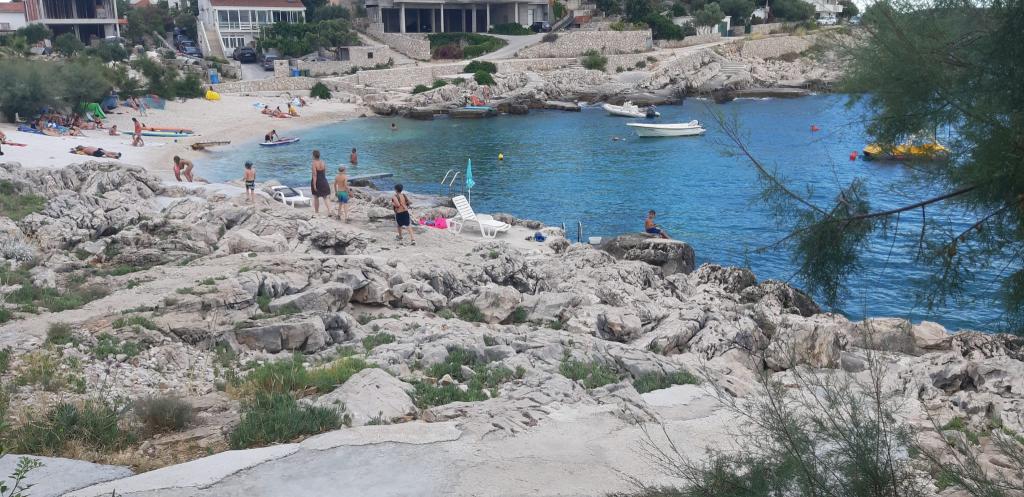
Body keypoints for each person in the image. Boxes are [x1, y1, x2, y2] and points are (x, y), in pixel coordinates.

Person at [309, 149, 330, 216]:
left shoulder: (314, 163)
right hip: (323, 180)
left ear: (313, 156)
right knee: (325, 197)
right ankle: (329, 210)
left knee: (316, 197)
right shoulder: (323, 162)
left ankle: (317, 212)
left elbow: (315, 175)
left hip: (317, 181)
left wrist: (314, 185)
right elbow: (325, 172)